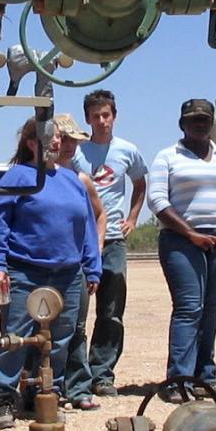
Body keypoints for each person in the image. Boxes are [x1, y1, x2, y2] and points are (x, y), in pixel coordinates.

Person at [0, 118, 101, 429]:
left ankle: (46, 393)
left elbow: (87, 225)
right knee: (16, 338)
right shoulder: (17, 177)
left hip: (67, 273)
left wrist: (92, 266)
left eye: (59, 138)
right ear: (32, 143)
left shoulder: (72, 180)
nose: (56, 143)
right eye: (49, 138)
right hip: (24, 271)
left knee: (60, 339)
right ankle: (5, 399)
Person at [148, 98, 216, 403]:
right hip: (181, 242)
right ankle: (179, 380)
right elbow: (157, 201)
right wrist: (191, 234)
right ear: (182, 124)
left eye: (205, 119)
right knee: (189, 308)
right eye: (193, 120)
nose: (199, 124)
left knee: (210, 312)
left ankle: (206, 377)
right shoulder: (167, 157)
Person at [72, 88, 148, 399]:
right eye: (95, 116)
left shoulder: (127, 151)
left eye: (106, 115)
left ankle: (102, 374)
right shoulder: (77, 151)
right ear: (87, 119)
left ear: (114, 116)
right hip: (80, 240)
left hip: (114, 241)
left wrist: (132, 217)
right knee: (75, 311)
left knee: (111, 311)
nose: (102, 121)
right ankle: (74, 375)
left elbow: (140, 183)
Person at [50, 112, 106, 411]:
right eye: (66, 140)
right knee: (44, 330)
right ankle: (46, 387)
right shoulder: (33, 174)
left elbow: (99, 215)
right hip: (44, 266)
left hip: (77, 266)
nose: (70, 146)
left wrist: (94, 251)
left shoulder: (81, 179)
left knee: (77, 327)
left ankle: (79, 387)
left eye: (75, 141)